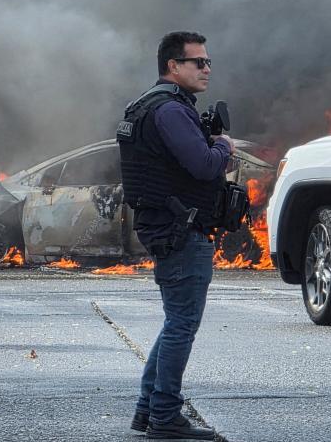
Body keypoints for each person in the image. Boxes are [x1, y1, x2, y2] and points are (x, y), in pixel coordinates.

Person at [116, 31, 235, 440]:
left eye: (208, 61)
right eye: (198, 62)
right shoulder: (170, 110)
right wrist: (223, 146)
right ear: (173, 65)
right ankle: (165, 416)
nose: (207, 68)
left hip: (169, 227)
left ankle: (147, 410)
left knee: (175, 323)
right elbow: (204, 165)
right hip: (181, 230)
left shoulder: (148, 105)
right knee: (182, 325)